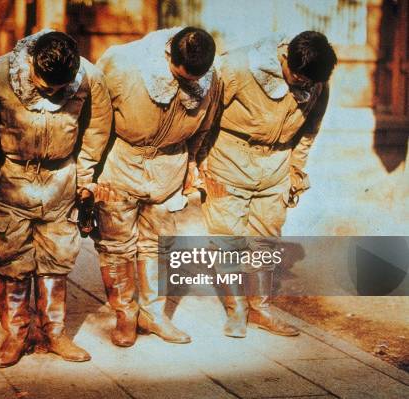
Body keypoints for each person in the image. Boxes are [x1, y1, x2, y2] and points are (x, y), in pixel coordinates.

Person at [0, 30, 112, 367]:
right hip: (8, 180)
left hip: (61, 181)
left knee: (57, 258)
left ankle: (53, 333)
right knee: (10, 261)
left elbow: (96, 130)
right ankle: (17, 334)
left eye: (57, 90)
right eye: (43, 85)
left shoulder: (90, 78)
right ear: (30, 62)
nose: (51, 93)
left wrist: (86, 178)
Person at [202, 31, 337, 338]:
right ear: (284, 58)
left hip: (276, 165)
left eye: (309, 83)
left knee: (266, 239)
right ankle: (236, 310)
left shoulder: (316, 83)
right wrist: (199, 164)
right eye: (298, 78)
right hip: (229, 158)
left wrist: (296, 170)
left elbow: (309, 132)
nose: (302, 86)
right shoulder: (237, 67)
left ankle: (260, 309)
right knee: (227, 240)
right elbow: (206, 116)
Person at [94, 27, 223, 347]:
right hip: (122, 163)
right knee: (116, 246)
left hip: (168, 168)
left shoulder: (210, 76)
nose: (190, 84)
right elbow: (94, 115)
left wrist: (191, 163)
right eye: (181, 76)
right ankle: (126, 315)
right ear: (168, 54)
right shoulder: (121, 61)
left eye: (196, 78)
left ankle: (153, 314)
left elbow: (204, 126)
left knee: (157, 245)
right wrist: (90, 172)